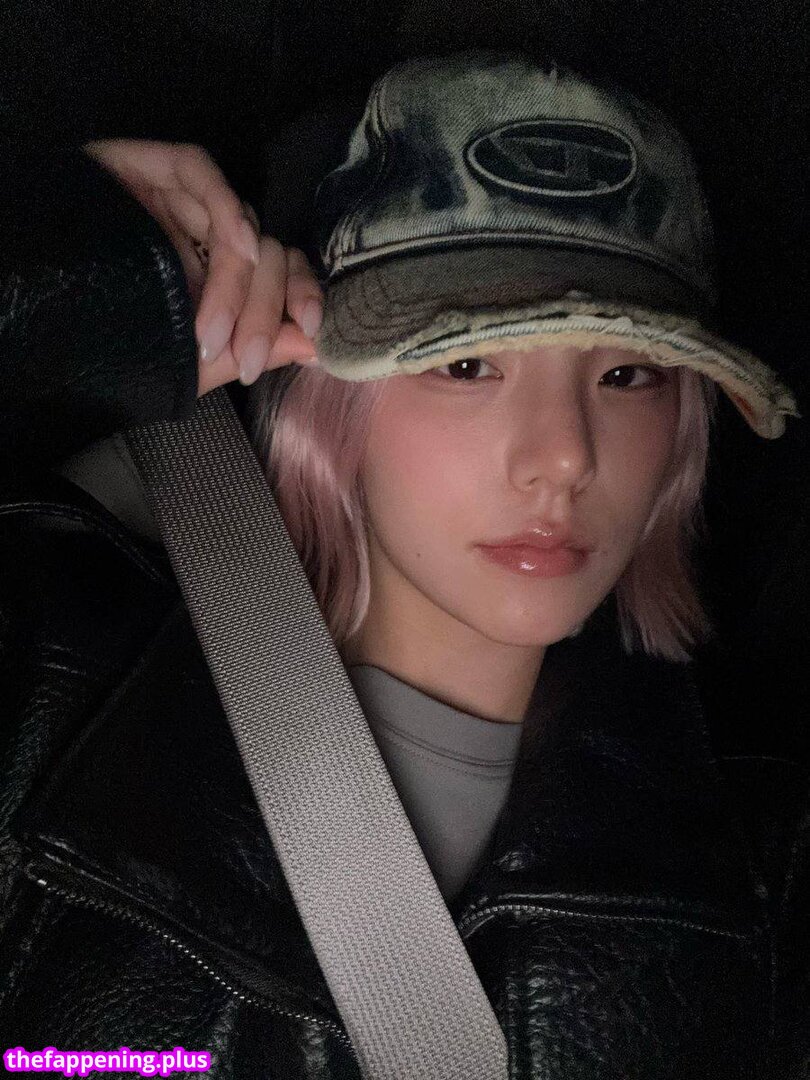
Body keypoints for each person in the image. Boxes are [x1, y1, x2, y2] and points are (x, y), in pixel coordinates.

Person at [0, 47, 806, 1080]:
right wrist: (58, 272)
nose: (564, 456)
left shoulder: (763, 864)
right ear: (327, 391)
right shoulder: (46, 691)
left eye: (628, 374)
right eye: (466, 363)